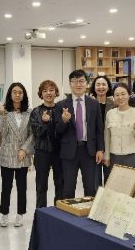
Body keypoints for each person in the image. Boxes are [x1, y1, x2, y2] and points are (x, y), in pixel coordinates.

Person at [55, 69, 104, 197]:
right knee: (68, 188)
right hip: (69, 151)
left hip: (89, 151)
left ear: (86, 83)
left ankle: (88, 210)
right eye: (75, 81)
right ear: (70, 84)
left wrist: (100, 149)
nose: (78, 84)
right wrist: (64, 121)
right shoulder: (61, 105)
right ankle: (68, 211)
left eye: (81, 81)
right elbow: (57, 131)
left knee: (90, 188)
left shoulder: (94, 103)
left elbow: (99, 129)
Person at [0, 82, 34, 227]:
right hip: (7, 154)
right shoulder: (4, 111)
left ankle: (20, 214)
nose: (17, 95)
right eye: (14, 92)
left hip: (22, 155)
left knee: (22, 187)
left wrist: (24, 149)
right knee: (6, 187)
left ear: (23, 95)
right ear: (10, 94)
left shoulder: (29, 112)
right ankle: (4, 214)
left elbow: (32, 134)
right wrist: (2, 115)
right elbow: (3, 133)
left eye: (20, 92)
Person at [29, 79, 63, 208]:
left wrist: (65, 121)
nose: (48, 93)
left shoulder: (61, 109)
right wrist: (44, 122)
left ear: (56, 92)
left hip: (59, 153)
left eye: (51, 90)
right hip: (42, 153)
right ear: (41, 94)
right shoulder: (36, 111)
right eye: (45, 91)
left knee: (60, 185)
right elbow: (37, 133)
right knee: (41, 186)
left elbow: (63, 132)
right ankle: (41, 214)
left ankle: (59, 214)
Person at [103, 84, 135, 170]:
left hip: (133, 156)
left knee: (132, 179)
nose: (120, 97)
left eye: (123, 94)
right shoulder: (110, 114)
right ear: (114, 97)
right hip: (114, 155)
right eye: (117, 95)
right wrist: (107, 155)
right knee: (114, 179)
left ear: (129, 95)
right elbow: (107, 136)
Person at [89, 75, 115, 187]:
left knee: (110, 180)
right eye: (98, 84)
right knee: (95, 182)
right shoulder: (88, 104)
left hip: (111, 146)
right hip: (93, 147)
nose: (101, 87)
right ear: (94, 87)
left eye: (104, 84)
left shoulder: (114, 104)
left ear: (108, 87)